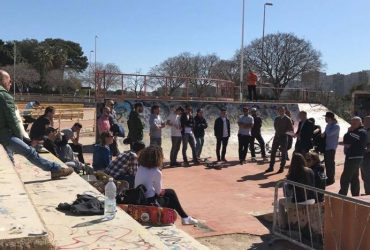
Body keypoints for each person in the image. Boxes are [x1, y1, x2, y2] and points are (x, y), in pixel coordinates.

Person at [0, 70, 73, 179]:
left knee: (9, 156)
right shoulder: (4, 96)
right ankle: (55, 169)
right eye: (9, 81)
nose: (11, 83)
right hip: (5, 134)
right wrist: (24, 140)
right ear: (3, 81)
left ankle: (11, 178)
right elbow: (13, 121)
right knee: (30, 152)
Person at [134, 146, 198, 225]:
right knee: (171, 194)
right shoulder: (156, 172)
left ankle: (184, 218)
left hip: (139, 199)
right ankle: (183, 218)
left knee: (169, 193)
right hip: (150, 203)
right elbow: (158, 192)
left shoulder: (140, 168)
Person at [339, 117, 367, 197]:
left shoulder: (361, 131)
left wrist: (348, 132)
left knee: (345, 177)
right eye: (351, 123)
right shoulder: (357, 131)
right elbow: (347, 140)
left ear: (360, 123)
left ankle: (342, 195)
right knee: (354, 177)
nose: (352, 125)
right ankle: (355, 195)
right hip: (354, 157)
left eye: (354, 124)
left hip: (354, 157)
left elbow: (346, 139)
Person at [265, 106, 294, 173]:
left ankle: (281, 168)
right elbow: (275, 126)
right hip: (276, 137)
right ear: (278, 111)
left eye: (282, 110)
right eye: (280, 110)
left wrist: (284, 132)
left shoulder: (288, 119)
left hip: (284, 137)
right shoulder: (276, 118)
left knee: (283, 153)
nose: (281, 112)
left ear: (284, 111)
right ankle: (271, 167)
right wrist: (278, 132)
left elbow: (291, 129)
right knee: (273, 152)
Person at [322, 112, 340, 185]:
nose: (325, 119)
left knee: (330, 164)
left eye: (326, 117)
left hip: (331, 148)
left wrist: (328, 125)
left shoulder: (336, 126)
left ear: (330, 118)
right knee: (327, 164)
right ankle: (329, 178)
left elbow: (328, 133)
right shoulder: (328, 125)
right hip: (326, 147)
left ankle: (331, 179)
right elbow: (323, 135)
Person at [361, 116, 370, 195]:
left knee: (367, 175)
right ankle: (367, 191)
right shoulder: (363, 130)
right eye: (364, 121)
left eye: (366, 121)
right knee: (364, 175)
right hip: (363, 155)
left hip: (367, 155)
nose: (364, 122)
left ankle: (368, 193)